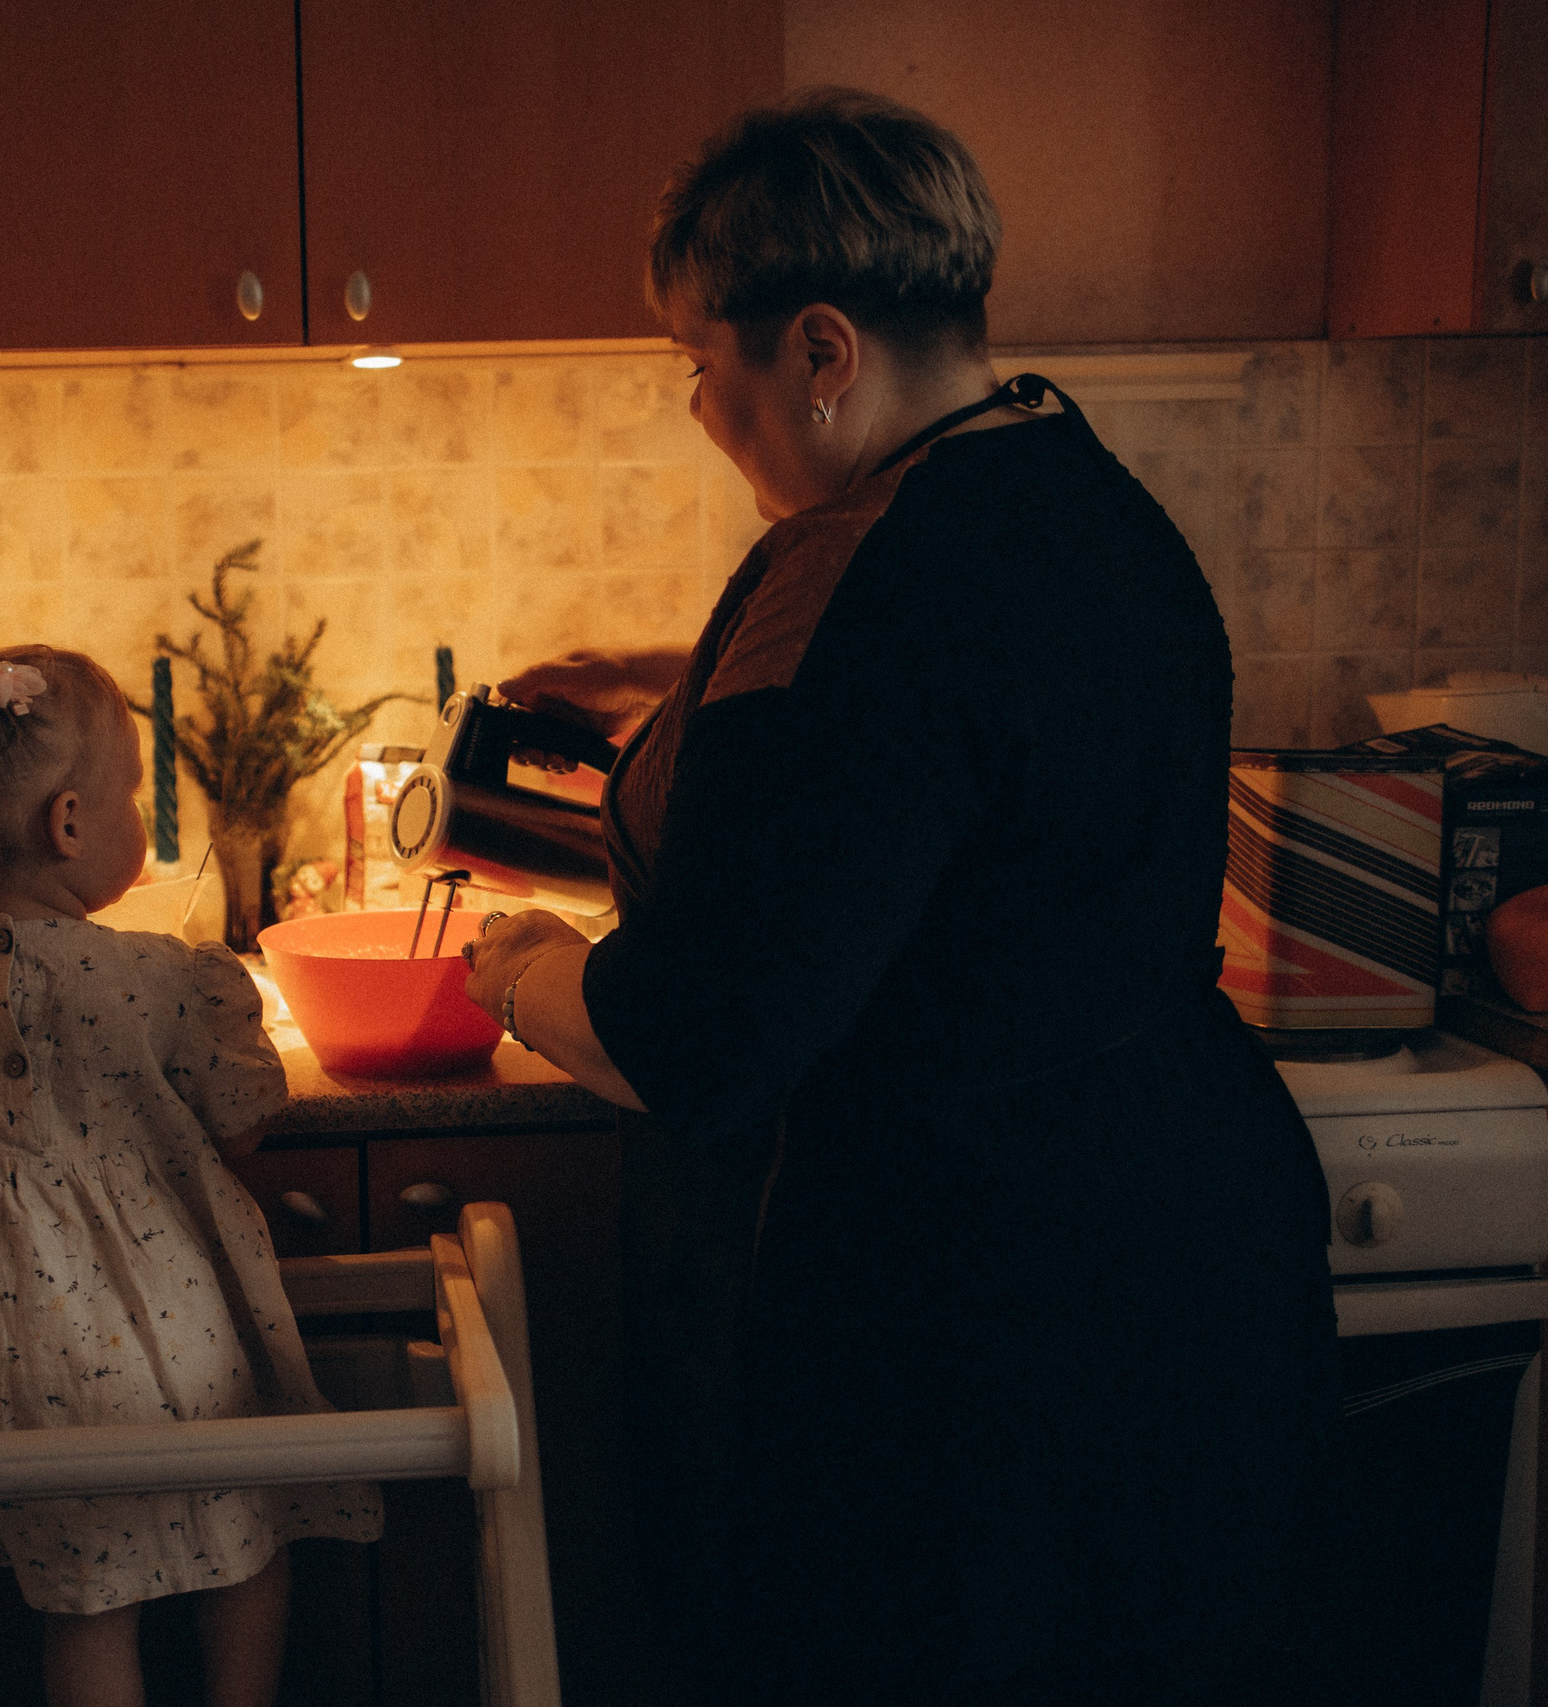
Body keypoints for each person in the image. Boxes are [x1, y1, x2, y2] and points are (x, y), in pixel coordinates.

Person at [462, 91, 1340, 1705]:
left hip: (981, 1303)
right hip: (1194, 1236)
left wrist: (517, 965)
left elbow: (696, 1037)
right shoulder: (1081, 489)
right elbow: (970, 729)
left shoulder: (867, 573)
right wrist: (694, 682)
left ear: (822, 349)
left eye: (702, 366)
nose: (700, 408)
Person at [0, 645, 381, 1707]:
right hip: (182, 1344)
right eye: (132, 793)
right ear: (71, 824)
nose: (139, 816)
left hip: (8, 1361)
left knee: (87, 1601)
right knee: (247, 1552)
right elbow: (243, 1127)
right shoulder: (156, 978)